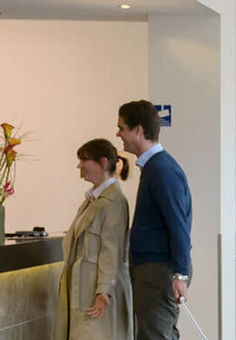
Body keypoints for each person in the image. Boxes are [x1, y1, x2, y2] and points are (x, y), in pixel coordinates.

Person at [117, 99, 193, 340]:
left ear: (138, 130)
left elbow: (178, 224)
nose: (118, 134)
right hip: (154, 268)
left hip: (157, 269)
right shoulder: (155, 167)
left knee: (155, 335)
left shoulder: (161, 169)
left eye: (121, 128)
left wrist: (180, 274)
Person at [62, 139, 135, 339]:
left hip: (98, 296)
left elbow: (111, 250)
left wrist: (104, 290)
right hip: (87, 290)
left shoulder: (113, 202)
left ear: (102, 162)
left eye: (84, 160)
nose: (79, 166)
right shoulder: (94, 200)